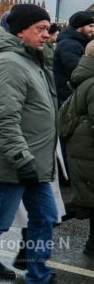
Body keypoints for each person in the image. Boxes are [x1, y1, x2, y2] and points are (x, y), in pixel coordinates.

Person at [0, 4, 59, 284]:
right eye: (40, 29)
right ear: (20, 31)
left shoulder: (30, 57)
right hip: (17, 162)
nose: (47, 35)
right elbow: (4, 119)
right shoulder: (9, 62)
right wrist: (22, 158)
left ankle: (38, 275)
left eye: (47, 28)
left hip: (36, 161)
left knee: (45, 218)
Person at [64, 40, 94, 257]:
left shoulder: (87, 78)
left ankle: (92, 246)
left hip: (84, 148)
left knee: (89, 201)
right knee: (83, 203)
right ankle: (33, 231)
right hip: (88, 151)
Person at [53, 11, 94, 106]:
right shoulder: (70, 45)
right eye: (90, 26)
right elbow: (77, 73)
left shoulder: (79, 42)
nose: (93, 30)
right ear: (79, 27)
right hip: (68, 97)